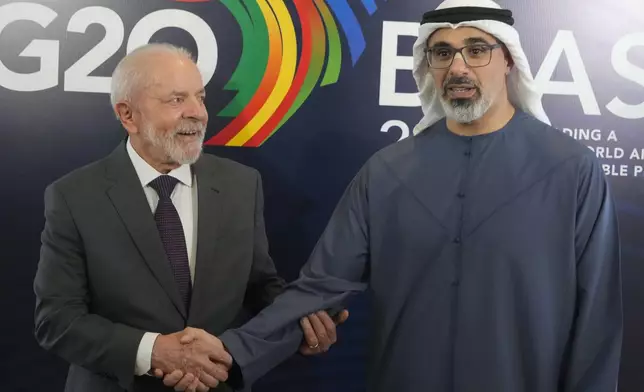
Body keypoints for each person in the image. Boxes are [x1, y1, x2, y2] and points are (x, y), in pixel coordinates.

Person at [174, 0, 623, 391]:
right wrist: (230, 352)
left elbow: (597, 323)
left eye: (477, 50)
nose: (459, 67)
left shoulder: (571, 170)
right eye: (442, 53)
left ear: (508, 60)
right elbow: (320, 287)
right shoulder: (387, 172)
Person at [33, 43, 348, 392]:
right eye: (176, 100)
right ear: (127, 115)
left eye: (200, 97)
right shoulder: (74, 196)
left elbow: (259, 286)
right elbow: (57, 320)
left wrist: (297, 324)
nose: (197, 113)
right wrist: (153, 351)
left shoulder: (242, 185)